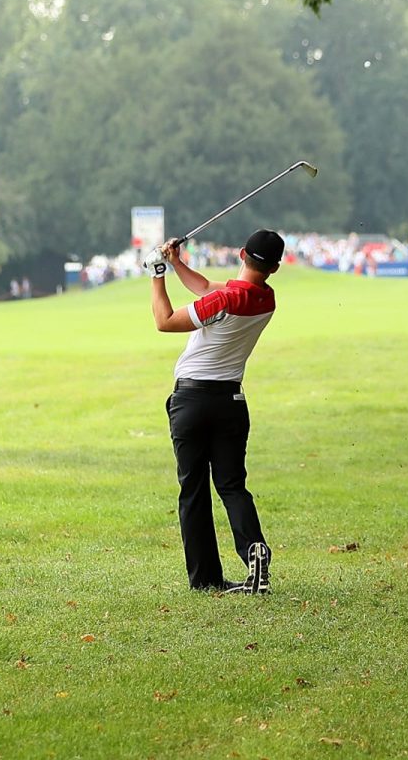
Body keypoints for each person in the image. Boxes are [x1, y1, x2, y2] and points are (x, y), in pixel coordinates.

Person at [149, 228, 282, 595]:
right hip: (231, 405)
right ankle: (254, 550)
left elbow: (164, 320)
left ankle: (206, 579)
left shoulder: (225, 299)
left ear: (241, 254)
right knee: (232, 485)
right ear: (274, 268)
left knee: (193, 490)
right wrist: (178, 263)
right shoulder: (265, 299)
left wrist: (156, 274)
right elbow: (207, 286)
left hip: (192, 402)